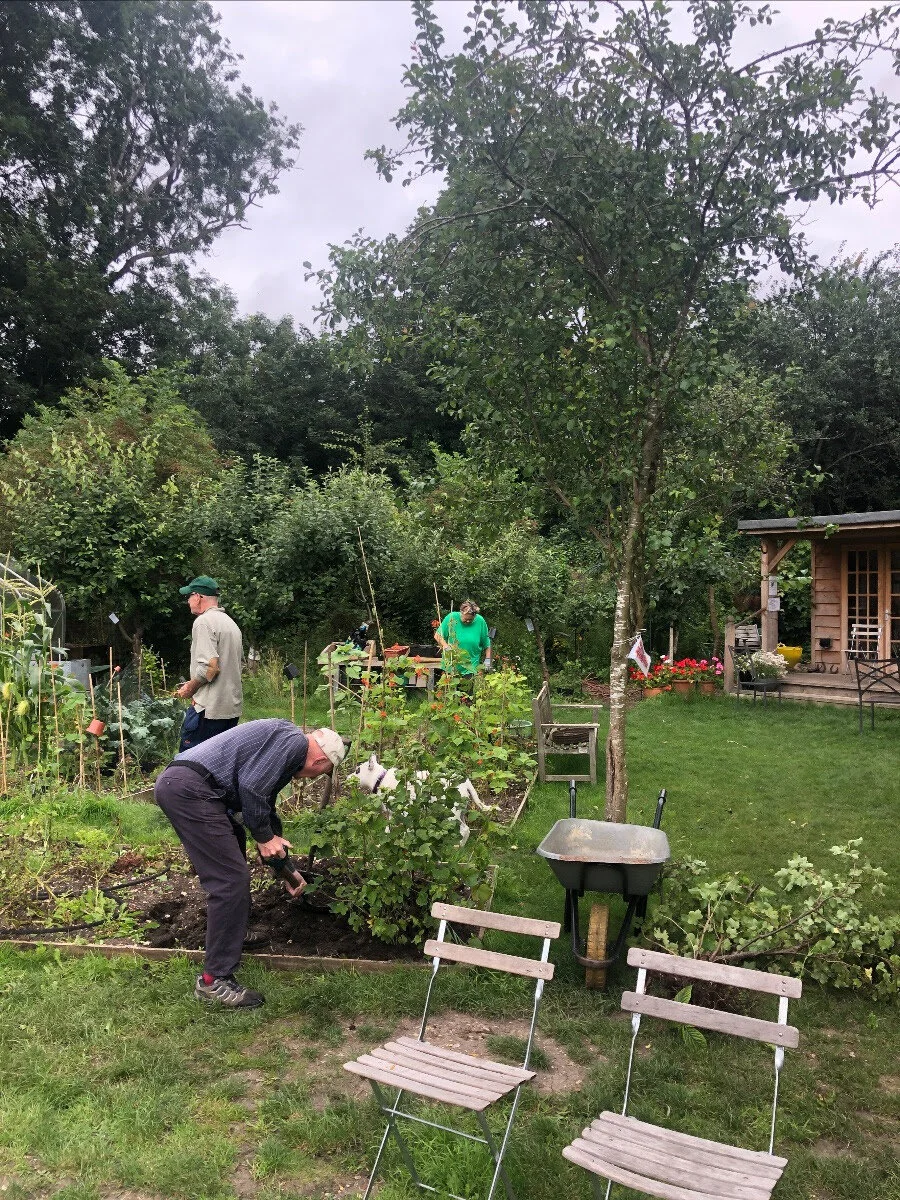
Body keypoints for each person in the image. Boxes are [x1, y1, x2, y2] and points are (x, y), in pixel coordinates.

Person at [154, 719, 348, 1008]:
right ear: (320, 760)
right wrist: (264, 837)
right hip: (191, 790)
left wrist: (286, 869)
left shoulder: (287, 740)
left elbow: (263, 808)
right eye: (322, 773)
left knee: (233, 841)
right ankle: (213, 981)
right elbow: (251, 789)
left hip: (187, 785)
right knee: (230, 881)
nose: (312, 778)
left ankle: (233, 931)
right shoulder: (294, 745)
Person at [176, 575, 243, 752]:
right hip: (230, 710)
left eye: (189, 596)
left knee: (190, 765)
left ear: (198, 597)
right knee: (221, 765)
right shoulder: (231, 624)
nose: (188, 601)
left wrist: (191, 688)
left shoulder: (203, 622)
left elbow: (210, 667)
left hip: (208, 711)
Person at [435, 600, 492, 688]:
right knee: (450, 693)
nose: (468, 621)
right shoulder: (452, 617)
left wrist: (488, 659)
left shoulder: (480, 621)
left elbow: (487, 642)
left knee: (466, 696)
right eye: (466, 619)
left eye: (471, 619)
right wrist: (446, 646)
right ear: (461, 613)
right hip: (451, 663)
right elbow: (438, 635)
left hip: (470, 665)